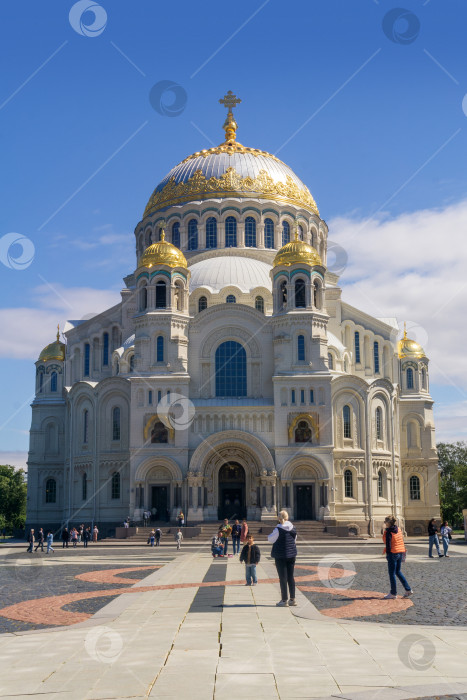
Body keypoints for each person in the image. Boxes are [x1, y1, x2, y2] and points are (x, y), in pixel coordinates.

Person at [268, 510, 298, 607]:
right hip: (292, 555)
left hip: (281, 555)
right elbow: (294, 539)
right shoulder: (293, 528)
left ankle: (284, 600)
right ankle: (292, 599)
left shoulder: (278, 529)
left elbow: (270, 539)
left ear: (279, 518)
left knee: (283, 578)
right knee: (290, 577)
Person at [382, 516, 412, 599]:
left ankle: (393, 593)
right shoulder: (398, 529)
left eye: (385, 522)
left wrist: (387, 555)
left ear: (388, 523)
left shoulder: (388, 532)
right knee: (398, 571)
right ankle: (408, 589)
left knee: (392, 574)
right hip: (400, 551)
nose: (384, 523)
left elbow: (387, 544)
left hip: (393, 553)